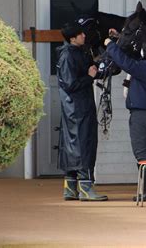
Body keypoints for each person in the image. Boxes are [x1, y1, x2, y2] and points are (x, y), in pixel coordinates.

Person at [104, 34, 146, 201]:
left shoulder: (143, 67)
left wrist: (111, 45)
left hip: (140, 115)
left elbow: (125, 62)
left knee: (142, 154)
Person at [57, 23, 107, 201]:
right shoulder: (68, 56)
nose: (84, 36)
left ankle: (70, 188)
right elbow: (71, 84)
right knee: (83, 143)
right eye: (80, 34)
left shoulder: (76, 52)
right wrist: (90, 77)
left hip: (77, 106)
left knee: (73, 144)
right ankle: (86, 186)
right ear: (72, 38)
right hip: (77, 108)